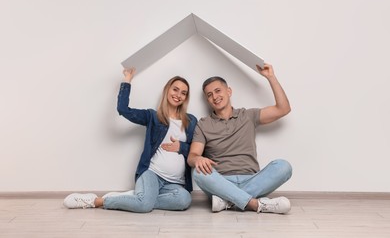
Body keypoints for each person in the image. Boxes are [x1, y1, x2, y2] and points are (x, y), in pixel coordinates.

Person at [63, 67, 197, 212]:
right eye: (175, 89)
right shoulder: (153, 116)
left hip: (176, 183)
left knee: (184, 200)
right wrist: (127, 79)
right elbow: (123, 109)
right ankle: (97, 201)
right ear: (167, 90)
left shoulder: (191, 121)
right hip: (152, 174)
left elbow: (198, 150)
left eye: (183, 93)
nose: (178, 95)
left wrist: (181, 147)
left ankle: (138, 197)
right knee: (144, 206)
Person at [187, 63, 292, 214]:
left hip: (252, 179)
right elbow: (192, 156)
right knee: (198, 173)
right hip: (221, 183)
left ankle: (228, 201)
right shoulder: (203, 124)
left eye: (218, 91)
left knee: (284, 166)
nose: (215, 97)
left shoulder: (248, 116)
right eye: (209, 95)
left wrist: (271, 77)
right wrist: (197, 159)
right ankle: (256, 204)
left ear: (229, 91)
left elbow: (283, 108)